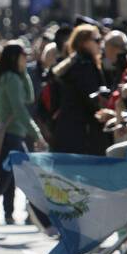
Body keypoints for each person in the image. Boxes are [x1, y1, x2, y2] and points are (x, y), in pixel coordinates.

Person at [0, 44, 49, 241]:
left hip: (13, 137)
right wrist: (37, 134)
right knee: (15, 181)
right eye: (24, 55)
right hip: (11, 137)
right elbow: (20, 109)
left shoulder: (12, 77)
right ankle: (48, 225)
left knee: (6, 182)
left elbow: (29, 97)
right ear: (15, 57)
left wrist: (24, 73)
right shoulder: (11, 79)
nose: (27, 58)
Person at [50, 24, 110, 155]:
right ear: (84, 43)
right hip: (83, 132)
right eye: (97, 40)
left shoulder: (72, 63)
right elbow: (90, 99)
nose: (100, 44)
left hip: (68, 130)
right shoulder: (84, 66)